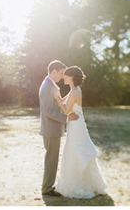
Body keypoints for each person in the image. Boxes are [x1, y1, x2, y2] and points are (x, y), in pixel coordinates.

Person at [52, 66, 108, 199]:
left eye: (65, 75)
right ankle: (74, 182)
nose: (63, 77)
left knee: (75, 152)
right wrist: (58, 96)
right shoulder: (73, 90)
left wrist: (56, 98)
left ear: (71, 77)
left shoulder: (75, 91)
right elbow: (64, 100)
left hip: (76, 126)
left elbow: (65, 110)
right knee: (74, 152)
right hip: (75, 125)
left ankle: (78, 185)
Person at [39, 60, 77, 197]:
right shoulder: (47, 87)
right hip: (50, 129)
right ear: (54, 71)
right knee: (51, 159)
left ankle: (48, 185)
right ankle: (47, 188)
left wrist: (72, 94)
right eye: (61, 73)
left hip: (53, 129)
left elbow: (57, 101)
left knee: (52, 158)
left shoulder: (51, 85)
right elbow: (48, 111)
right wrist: (66, 118)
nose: (62, 76)